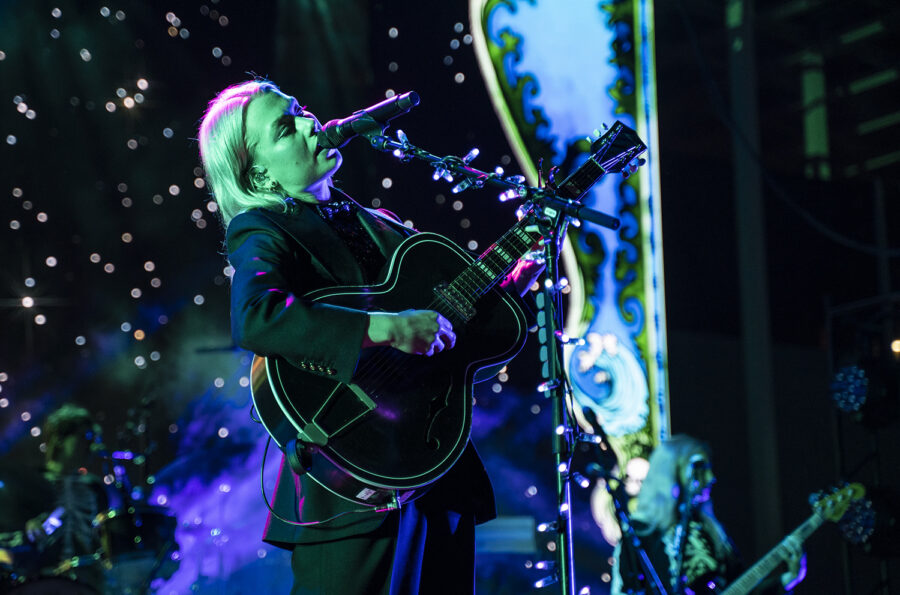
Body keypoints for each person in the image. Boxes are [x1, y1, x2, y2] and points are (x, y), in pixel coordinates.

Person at [197, 78, 542, 594]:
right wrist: (387, 327)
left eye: (301, 110)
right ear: (258, 172)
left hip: (433, 469)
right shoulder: (262, 229)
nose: (310, 126)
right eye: (285, 128)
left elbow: (447, 348)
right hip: (348, 482)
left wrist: (507, 290)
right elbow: (256, 316)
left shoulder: (380, 223)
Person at [611, 435, 804, 594]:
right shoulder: (640, 534)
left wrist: (788, 579)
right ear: (672, 473)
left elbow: (740, 586)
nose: (711, 478)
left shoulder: (711, 531)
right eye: (701, 469)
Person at [0, 404, 109, 594]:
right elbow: (6, 545)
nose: (92, 446)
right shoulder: (25, 483)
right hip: (39, 584)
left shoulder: (96, 488)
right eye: (85, 437)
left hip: (92, 585)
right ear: (59, 438)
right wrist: (27, 532)